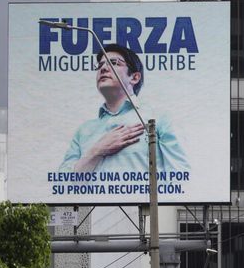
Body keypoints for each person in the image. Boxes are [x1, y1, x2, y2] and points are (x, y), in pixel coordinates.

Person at [59, 44, 190, 174]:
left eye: (114, 63)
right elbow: (62, 182)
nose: (103, 68)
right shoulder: (84, 131)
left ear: (134, 77)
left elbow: (180, 174)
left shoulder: (159, 119)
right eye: (100, 65)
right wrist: (96, 151)